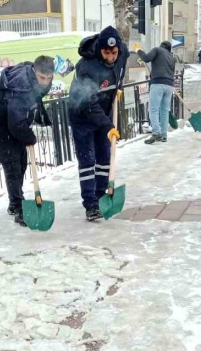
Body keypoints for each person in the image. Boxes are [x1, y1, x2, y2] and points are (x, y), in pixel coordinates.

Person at [68, 26, 129, 221]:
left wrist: (116, 88)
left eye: (114, 53)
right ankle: (91, 205)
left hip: (103, 112)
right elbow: (89, 104)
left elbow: (120, 69)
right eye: (106, 53)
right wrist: (108, 125)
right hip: (82, 115)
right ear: (100, 50)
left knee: (104, 157)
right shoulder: (86, 68)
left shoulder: (122, 53)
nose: (111, 57)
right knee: (87, 161)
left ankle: (102, 195)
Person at [0, 56, 54, 227]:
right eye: (42, 78)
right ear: (34, 71)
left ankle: (14, 201)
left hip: (17, 122)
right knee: (12, 166)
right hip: (1, 126)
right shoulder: (20, 85)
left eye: (49, 78)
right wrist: (29, 136)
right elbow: (15, 123)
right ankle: (17, 206)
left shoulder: (36, 80)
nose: (45, 82)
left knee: (22, 163)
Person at [137, 41, 176, 144]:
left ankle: (156, 133)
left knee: (153, 109)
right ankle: (164, 135)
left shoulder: (157, 50)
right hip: (169, 85)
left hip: (158, 83)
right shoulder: (171, 57)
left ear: (161, 46)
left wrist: (139, 50)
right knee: (164, 111)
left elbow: (146, 58)